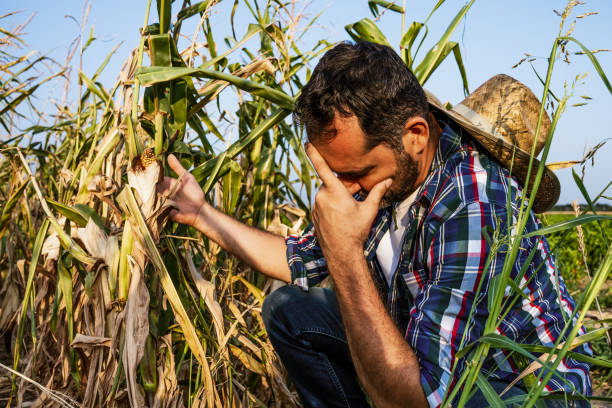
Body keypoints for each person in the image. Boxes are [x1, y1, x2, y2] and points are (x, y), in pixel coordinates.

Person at [157, 41, 592, 407]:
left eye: (354, 172)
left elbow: (423, 396)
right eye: (333, 173)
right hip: (436, 361)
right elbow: (298, 259)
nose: (343, 190)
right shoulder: (387, 177)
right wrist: (200, 213)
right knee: (289, 310)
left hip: (525, 386)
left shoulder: (476, 202)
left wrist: (346, 253)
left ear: (416, 136)